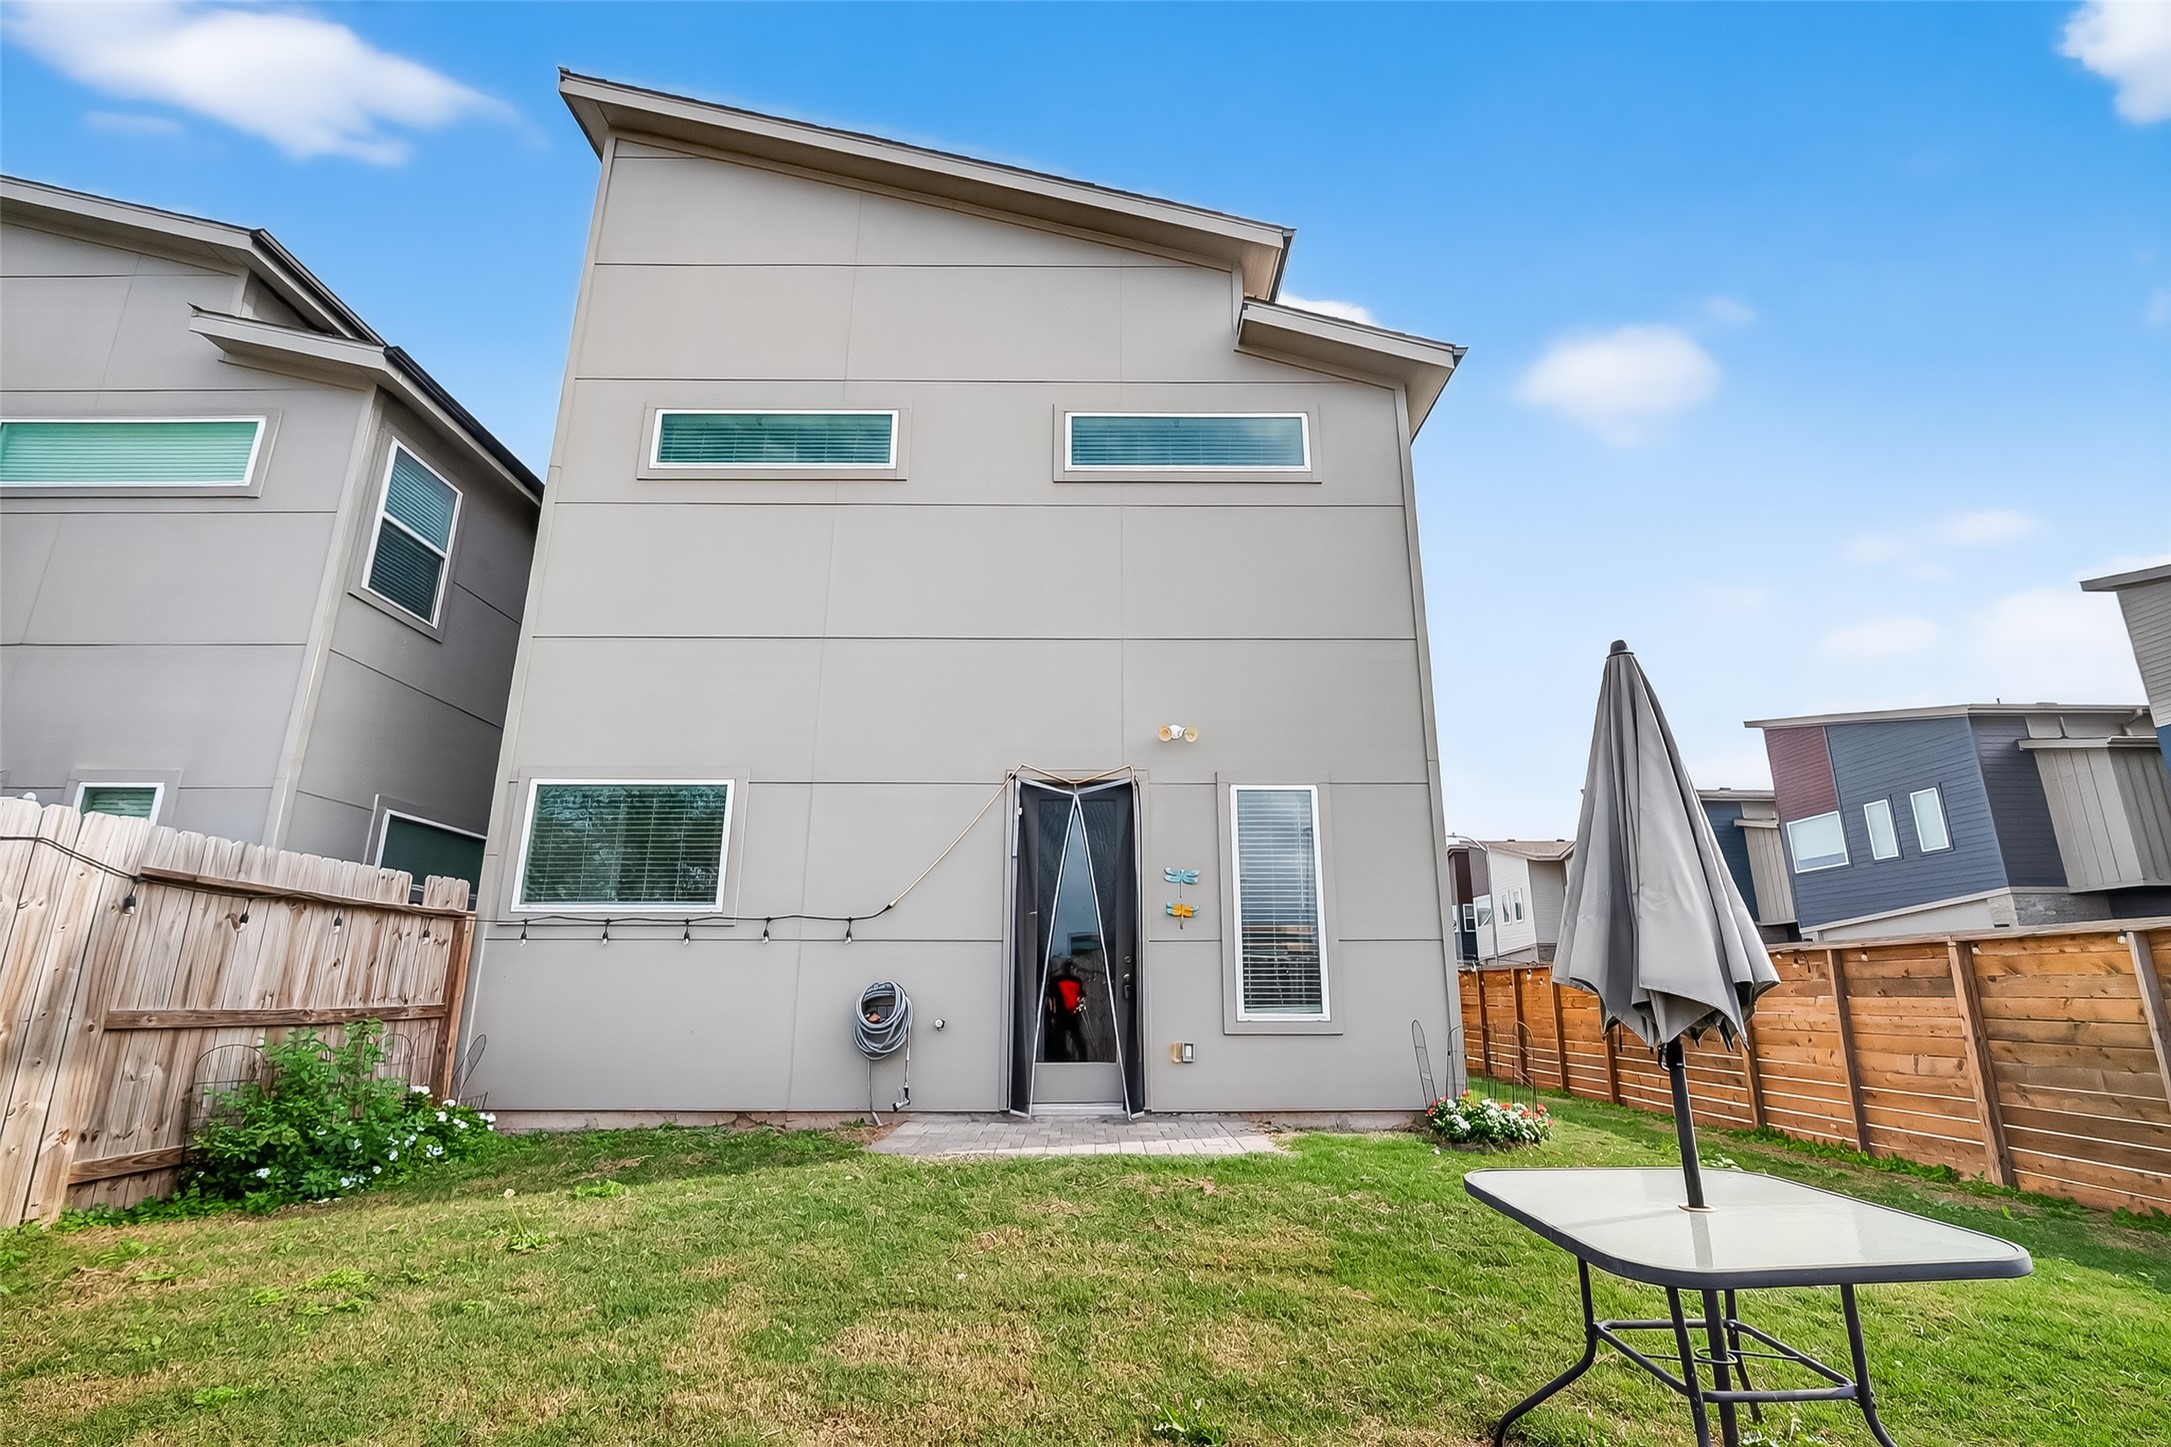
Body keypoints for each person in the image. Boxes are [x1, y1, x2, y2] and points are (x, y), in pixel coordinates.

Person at [1046, 958, 1089, 1061]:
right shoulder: (1077, 981)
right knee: (1077, 1038)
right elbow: (1080, 995)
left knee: (1058, 1036)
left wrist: (1052, 1012)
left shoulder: (1056, 980)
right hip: (1071, 1013)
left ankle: (1056, 1056)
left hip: (1061, 1014)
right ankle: (1083, 1059)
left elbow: (1051, 996)